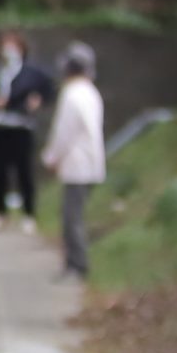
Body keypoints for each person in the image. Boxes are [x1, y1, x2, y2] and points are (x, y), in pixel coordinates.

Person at [0, 29, 52, 232]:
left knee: (24, 172)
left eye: (13, 45)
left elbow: (48, 90)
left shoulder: (32, 73)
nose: (8, 49)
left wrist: (38, 101)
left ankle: (29, 214)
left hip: (21, 127)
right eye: (4, 45)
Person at [43, 48, 106, 280]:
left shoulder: (71, 95)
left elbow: (64, 132)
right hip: (89, 164)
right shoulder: (90, 92)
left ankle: (77, 265)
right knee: (74, 215)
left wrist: (51, 158)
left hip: (77, 164)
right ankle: (75, 263)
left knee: (72, 218)